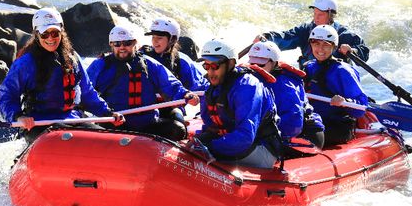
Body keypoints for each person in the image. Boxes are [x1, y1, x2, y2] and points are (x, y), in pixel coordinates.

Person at [0, 7, 123, 143]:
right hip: (39, 123)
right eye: (45, 34)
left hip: (73, 119)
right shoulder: (25, 63)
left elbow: (87, 92)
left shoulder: (72, 58)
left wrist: (107, 112)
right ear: (36, 35)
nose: (50, 38)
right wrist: (18, 116)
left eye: (55, 33)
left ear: (61, 32)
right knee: (66, 138)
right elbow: (8, 94)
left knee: (106, 140)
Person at [87, 25, 199, 141]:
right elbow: (85, 90)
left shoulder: (149, 64)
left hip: (146, 123)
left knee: (177, 129)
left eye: (127, 43)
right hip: (115, 121)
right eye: (117, 44)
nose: (122, 47)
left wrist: (185, 94)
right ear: (111, 44)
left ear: (135, 43)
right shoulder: (100, 65)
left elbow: (170, 84)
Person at [195, 38, 282, 169]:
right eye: (206, 66)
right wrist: (199, 142)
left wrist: (211, 147)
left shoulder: (248, 87)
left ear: (230, 63)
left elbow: (245, 137)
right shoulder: (214, 86)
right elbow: (210, 124)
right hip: (232, 141)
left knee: (204, 150)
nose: (210, 72)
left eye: (215, 66)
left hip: (259, 148)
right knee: (197, 146)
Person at [246, 41, 325, 149]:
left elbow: (293, 123)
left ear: (274, 62)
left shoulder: (284, 85)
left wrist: (264, 137)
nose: (256, 68)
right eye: (252, 64)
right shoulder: (254, 79)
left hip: (305, 135)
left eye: (261, 64)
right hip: (280, 131)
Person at [253, 0, 369, 67]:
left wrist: (353, 51)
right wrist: (267, 38)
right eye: (314, 14)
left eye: (320, 15)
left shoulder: (344, 34)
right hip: (310, 82)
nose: (316, 18)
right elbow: (286, 37)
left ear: (330, 15)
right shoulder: (305, 30)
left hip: (337, 84)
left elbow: (364, 51)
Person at [303, 24, 368, 145]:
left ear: (334, 47)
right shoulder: (309, 67)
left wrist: (345, 101)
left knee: (306, 133)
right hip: (314, 119)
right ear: (311, 45)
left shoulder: (343, 71)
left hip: (338, 125)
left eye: (326, 45)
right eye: (316, 44)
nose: (320, 49)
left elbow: (361, 108)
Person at [139, 17, 208, 92]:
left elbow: (200, 89)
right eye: (153, 37)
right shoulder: (144, 56)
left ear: (172, 40)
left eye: (159, 38)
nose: (154, 41)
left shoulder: (183, 62)